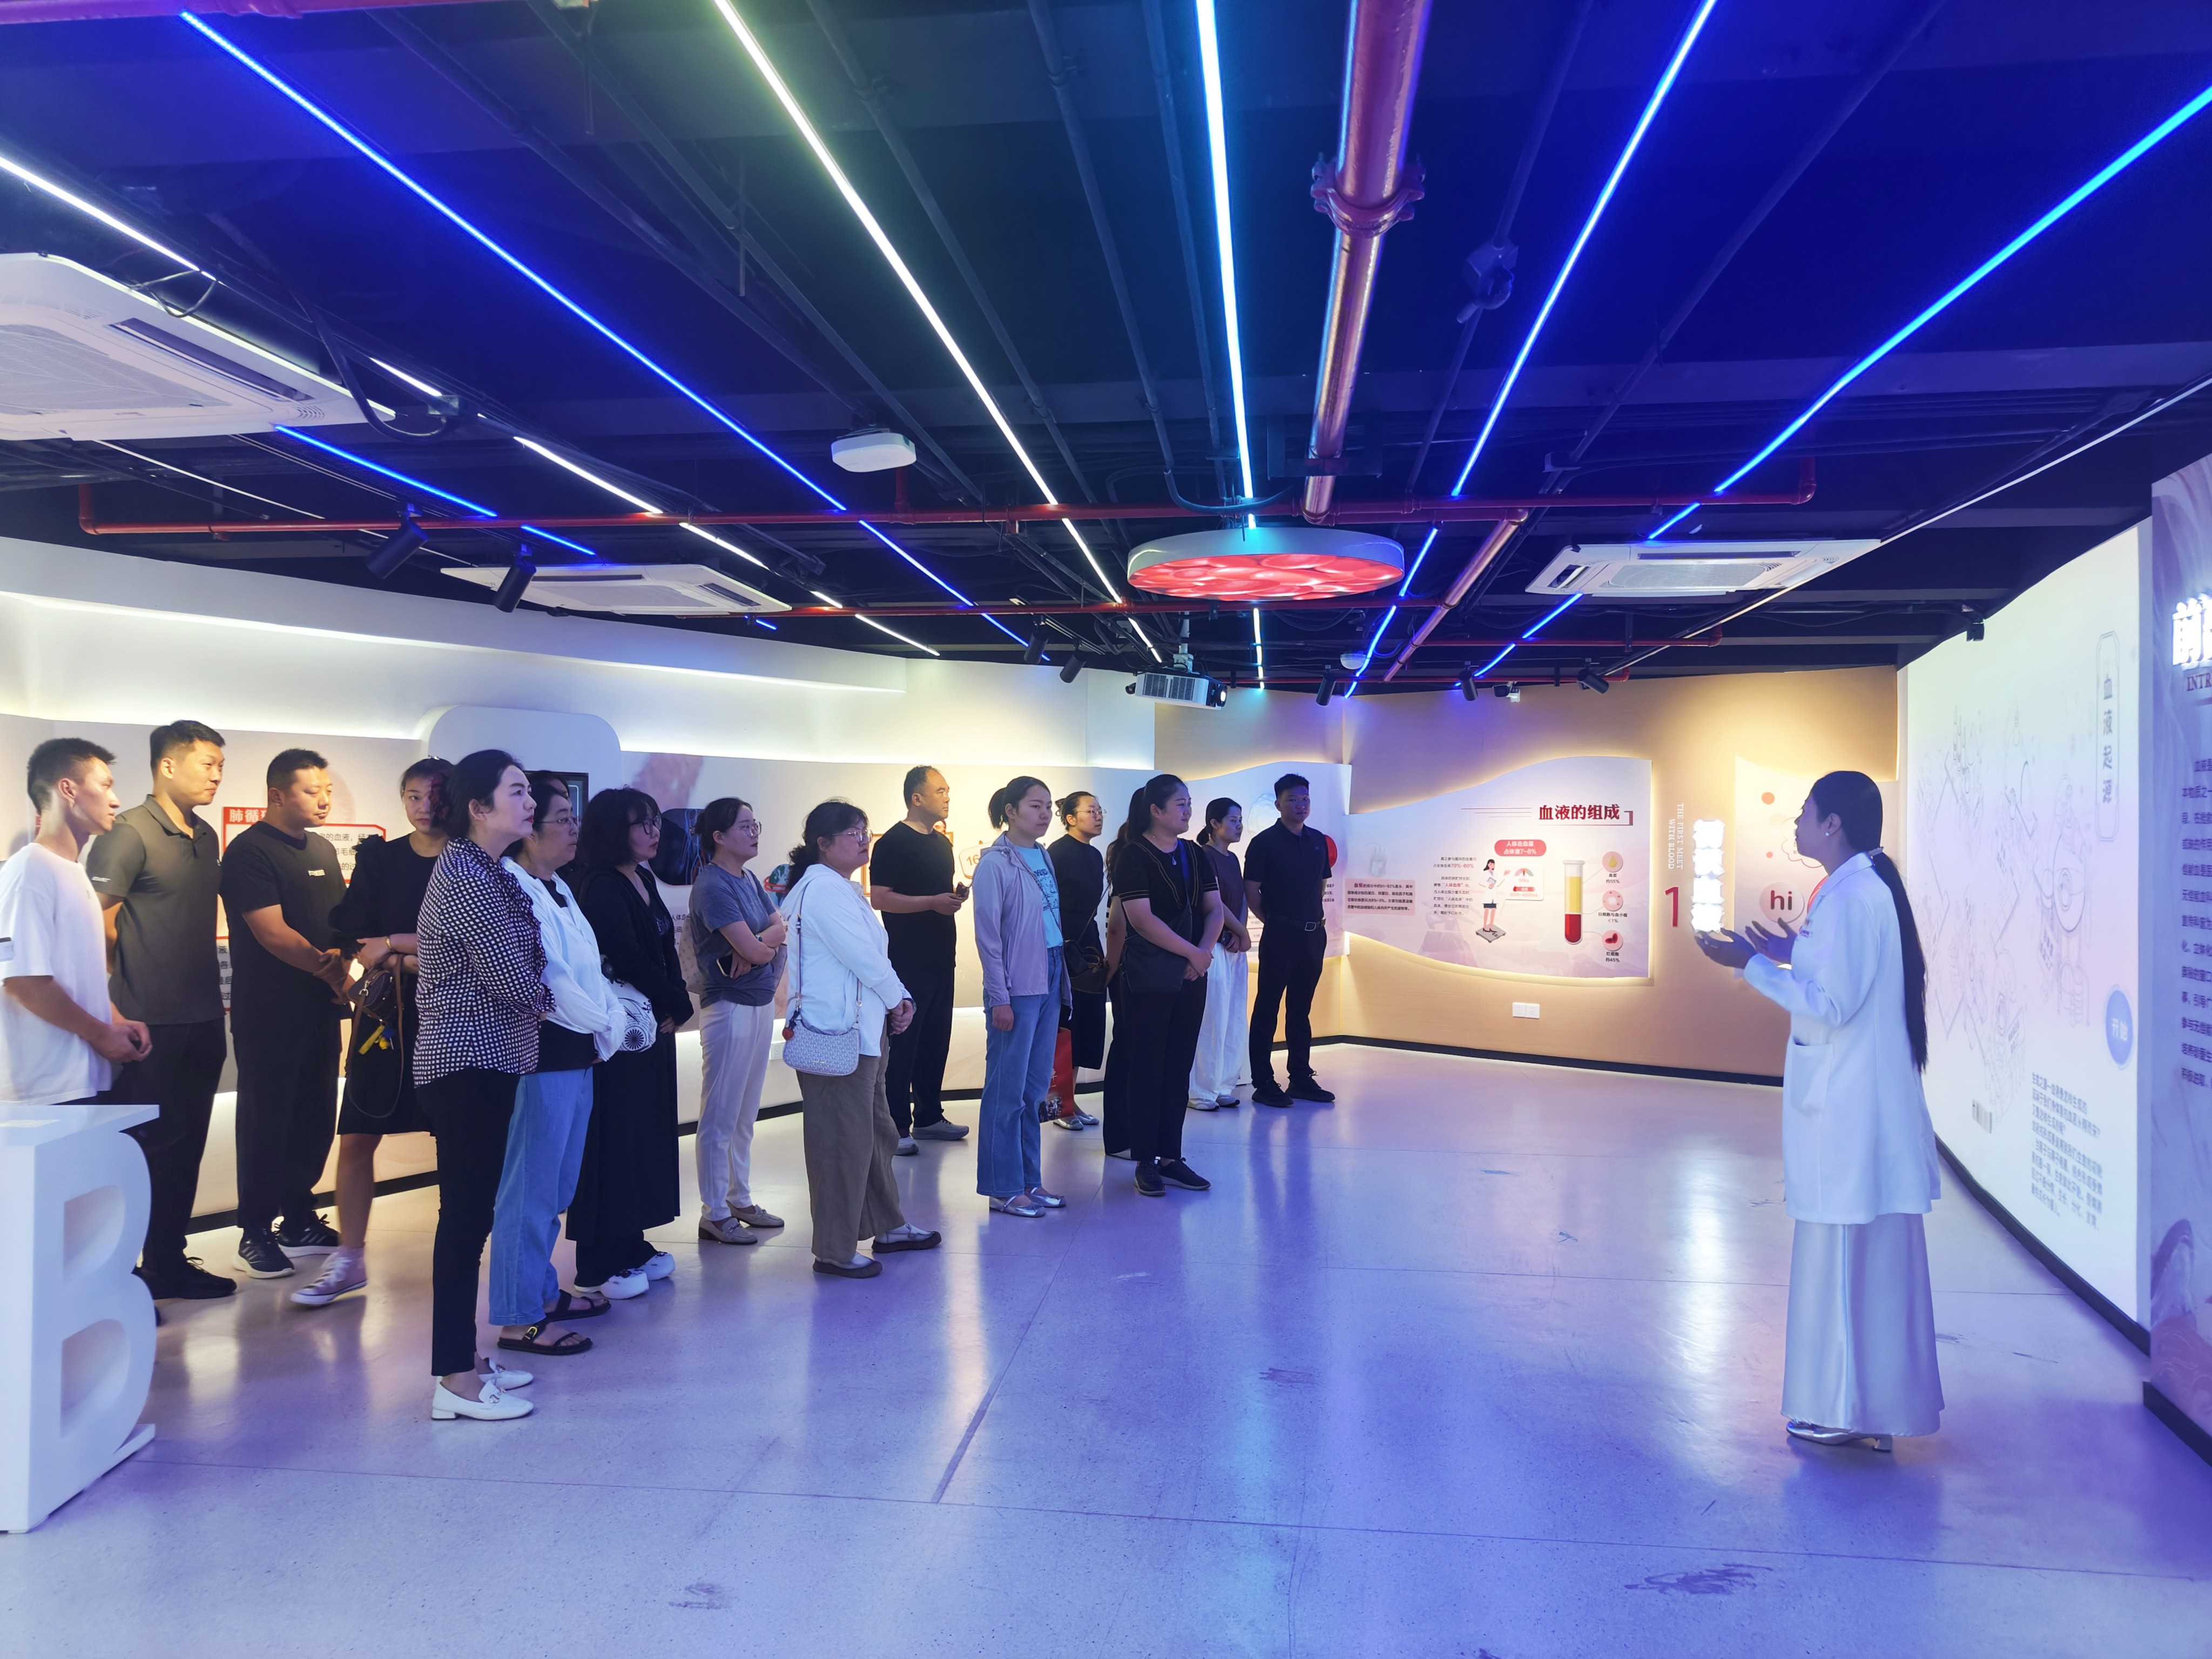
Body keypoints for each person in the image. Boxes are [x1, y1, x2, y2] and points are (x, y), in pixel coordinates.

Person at [1695, 770, 1943, 1453]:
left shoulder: (1853, 898)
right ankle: (1868, 1408)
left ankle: (1841, 1409)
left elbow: (1829, 1005)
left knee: (1841, 1270)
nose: (1797, 823)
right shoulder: (1859, 890)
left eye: (1805, 812)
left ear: (1832, 824)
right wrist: (1789, 952)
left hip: (1848, 1121)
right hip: (1857, 1118)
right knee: (1870, 1272)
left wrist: (1751, 965)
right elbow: (1842, 977)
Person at [413, 750, 553, 1422]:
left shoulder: (486, 868)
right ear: (478, 807)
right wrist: (558, 1002)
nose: (532, 803)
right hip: (465, 1062)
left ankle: (465, 1359)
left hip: (488, 1060)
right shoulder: (468, 875)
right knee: (464, 1221)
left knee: (472, 1216)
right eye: (517, 792)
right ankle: (454, 1379)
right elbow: (513, 977)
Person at [293, 757, 450, 1309]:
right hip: (386, 1013)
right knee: (358, 1133)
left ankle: (460, 1254)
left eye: (435, 795)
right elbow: (358, 939)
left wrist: (399, 950)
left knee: (457, 1138)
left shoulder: (474, 861)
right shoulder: (382, 857)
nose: (424, 807)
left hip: (454, 1016)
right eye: (413, 796)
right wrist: (411, 957)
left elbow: (469, 948)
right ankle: (349, 1257)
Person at [88, 720, 232, 1300]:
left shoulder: (206, 835)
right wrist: (125, 986)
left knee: (185, 1149)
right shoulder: (128, 832)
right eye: (206, 764)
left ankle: (167, 1262)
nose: (216, 776)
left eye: (221, 766)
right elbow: (96, 920)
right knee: (135, 1152)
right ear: (168, 766)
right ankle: (117, 1278)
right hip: (146, 1022)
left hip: (203, 1017)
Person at [489, 774, 629, 1360]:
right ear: (530, 829)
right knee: (530, 1190)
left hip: (578, 1050)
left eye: (575, 820)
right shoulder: (510, 884)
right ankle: (518, 1317)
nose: (574, 829)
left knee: (556, 1187)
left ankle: (542, 1292)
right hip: (542, 1054)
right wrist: (605, 1023)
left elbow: (589, 970)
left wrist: (606, 1023)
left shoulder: (559, 886)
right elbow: (552, 980)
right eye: (562, 820)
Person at [783, 800, 942, 1276]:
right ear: (823, 844)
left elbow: (870, 960)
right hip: (836, 1036)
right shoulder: (823, 890)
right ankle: (833, 1250)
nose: (863, 840)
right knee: (840, 1144)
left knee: (875, 1135)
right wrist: (899, 999)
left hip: (860, 1036)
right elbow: (864, 958)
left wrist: (898, 999)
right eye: (852, 833)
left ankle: (887, 1225)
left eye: (864, 831)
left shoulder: (842, 889)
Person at [219, 748, 351, 1280]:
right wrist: (335, 975)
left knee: (316, 1115)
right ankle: (254, 1230)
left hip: (320, 1008)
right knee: (266, 1119)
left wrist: (343, 961)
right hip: (269, 1012)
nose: (323, 800)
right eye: (310, 791)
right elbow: (272, 933)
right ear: (276, 795)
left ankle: (299, 1218)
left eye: (327, 790)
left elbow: (340, 924)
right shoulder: (249, 851)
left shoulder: (321, 847)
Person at [568, 788, 690, 1299]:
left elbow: (664, 949)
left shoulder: (642, 877)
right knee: (614, 1138)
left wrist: (676, 999)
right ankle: (599, 1259)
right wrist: (673, 1000)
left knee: (643, 1134)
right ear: (615, 830)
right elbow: (626, 956)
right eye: (643, 824)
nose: (654, 832)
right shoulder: (599, 885)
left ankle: (632, 1240)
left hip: (650, 1026)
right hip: (618, 1033)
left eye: (657, 822)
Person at [2, 741, 150, 1115]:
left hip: (81, 1077)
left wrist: (115, 1020)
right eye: (105, 786)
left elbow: (76, 976)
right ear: (68, 790)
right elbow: (23, 980)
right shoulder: (30, 870)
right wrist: (101, 1034)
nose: (115, 800)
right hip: (47, 1087)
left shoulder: (74, 871)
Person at [1104, 774, 1222, 1198]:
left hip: (1191, 975)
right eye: (1180, 804)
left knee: (1178, 1066)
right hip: (1150, 977)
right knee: (1147, 1067)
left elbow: (1215, 909)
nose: (1188, 811)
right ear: (1156, 810)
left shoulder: (1195, 853)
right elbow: (1140, 919)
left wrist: (1202, 952)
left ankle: (1171, 1157)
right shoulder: (1133, 855)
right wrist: (1192, 953)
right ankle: (1146, 1161)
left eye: (1189, 803)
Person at [687, 796, 787, 1245]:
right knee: (720, 1115)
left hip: (759, 1002)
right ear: (719, 837)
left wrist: (760, 945)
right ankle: (714, 1211)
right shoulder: (712, 884)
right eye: (745, 826)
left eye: (755, 824)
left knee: (745, 1113)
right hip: (728, 1006)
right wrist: (760, 946)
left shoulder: (748, 879)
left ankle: (740, 1198)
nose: (754, 832)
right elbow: (757, 949)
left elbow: (778, 934)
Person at [972, 777, 1071, 1218]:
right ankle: (1002, 1187)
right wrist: (1000, 997)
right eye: (1035, 806)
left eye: (1048, 806)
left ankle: (1030, 1180)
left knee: (1033, 1091)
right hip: (1017, 986)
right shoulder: (994, 864)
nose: (1045, 813)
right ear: (1010, 811)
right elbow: (988, 937)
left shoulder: (1042, 855)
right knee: (1006, 1091)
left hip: (1051, 973)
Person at [868, 765, 968, 1154]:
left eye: (948, 791)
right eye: (940, 791)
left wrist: (952, 898)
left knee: (935, 1040)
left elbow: (935, 897)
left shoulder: (942, 843)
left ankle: (929, 1116)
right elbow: (881, 898)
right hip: (907, 959)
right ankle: (896, 1126)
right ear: (917, 798)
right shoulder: (892, 842)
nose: (948, 797)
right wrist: (932, 902)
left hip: (942, 955)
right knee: (905, 1043)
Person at [1244, 772, 1336, 1109]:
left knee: (1301, 1008)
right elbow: (1252, 893)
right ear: (1278, 804)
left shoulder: (1317, 840)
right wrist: (1277, 922)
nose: (1301, 804)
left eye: (1305, 799)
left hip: (1313, 936)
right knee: (1267, 1007)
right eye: (1293, 799)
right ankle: (1263, 1082)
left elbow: (1321, 886)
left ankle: (1300, 1078)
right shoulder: (1264, 843)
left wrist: (1308, 921)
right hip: (1280, 935)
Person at [1045, 790, 1105, 1132]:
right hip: (1062, 945)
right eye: (1090, 811)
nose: (1098, 816)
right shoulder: (1057, 853)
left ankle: (1069, 1100)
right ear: (1070, 818)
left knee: (1086, 1022)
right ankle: (1056, 1103)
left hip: (1088, 944)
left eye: (1099, 810)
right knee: (1063, 1024)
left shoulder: (1095, 855)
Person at [1189, 798, 1252, 1110]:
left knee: (1234, 1017)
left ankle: (1224, 1084)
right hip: (1214, 944)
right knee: (1212, 1018)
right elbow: (1214, 903)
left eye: (1240, 820)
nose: (1239, 826)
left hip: (1234, 947)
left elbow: (1241, 899)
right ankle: (1201, 1090)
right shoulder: (1204, 855)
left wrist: (1241, 931)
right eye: (1232, 820)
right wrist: (1240, 932)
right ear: (1214, 824)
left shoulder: (1233, 858)